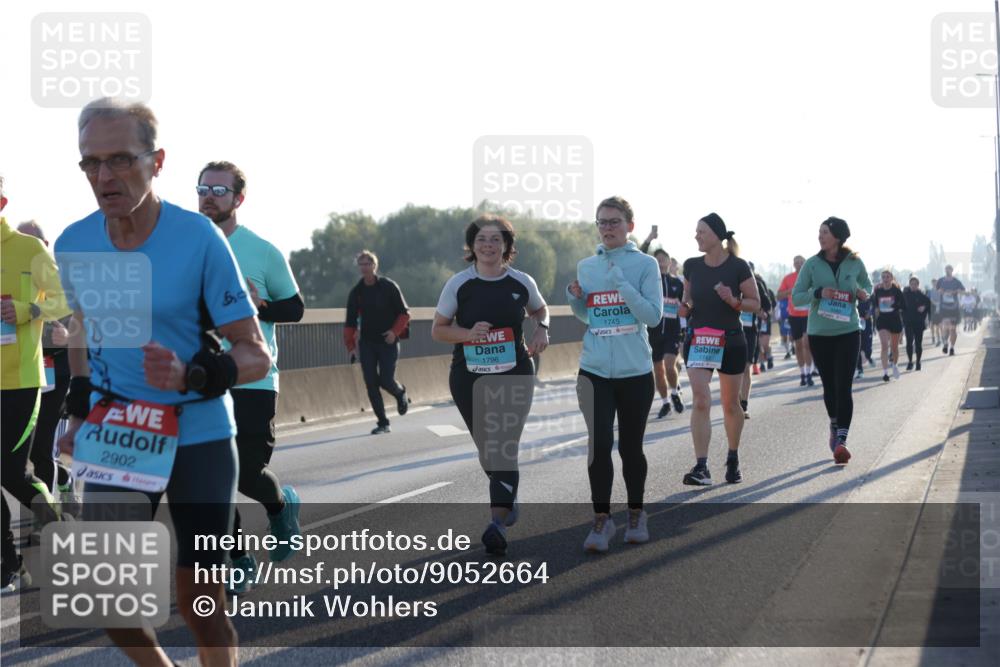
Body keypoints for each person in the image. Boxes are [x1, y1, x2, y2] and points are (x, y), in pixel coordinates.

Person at [56, 98, 271, 666]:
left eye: (121, 159)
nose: (104, 176)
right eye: (91, 162)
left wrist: (193, 373)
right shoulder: (73, 244)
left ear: (157, 162)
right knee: (109, 600)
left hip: (198, 431)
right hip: (121, 430)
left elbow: (256, 354)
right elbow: (86, 333)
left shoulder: (198, 238)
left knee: (200, 600)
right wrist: (78, 415)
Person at [197, 161, 305, 593]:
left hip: (254, 377)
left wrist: (260, 306)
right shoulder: (186, 247)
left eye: (219, 190)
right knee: (211, 479)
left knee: (245, 474)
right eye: (203, 188)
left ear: (238, 199)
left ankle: (280, 507)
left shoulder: (262, 251)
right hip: (201, 379)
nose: (208, 197)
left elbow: (294, 308)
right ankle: (239, 558)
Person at [432, 214, 549, 556]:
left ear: (506, 246)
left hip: (515, 372)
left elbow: (540, 310)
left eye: (496, 239)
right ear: (472, 245)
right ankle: (506, 495)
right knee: (488, 449)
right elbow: (438, 330)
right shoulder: (459, 284)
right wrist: (468, 334)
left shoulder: (520, 281)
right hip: (469, 377)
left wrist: (542, 329)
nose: (488, 245)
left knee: (504, 445)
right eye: (481, 239)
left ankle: (496, 523)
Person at [568, 196, 661, 552]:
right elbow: (589, 316)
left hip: (635, 371)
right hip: (594, 370)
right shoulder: (586, 266)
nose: (607, 228)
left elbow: (652, 316)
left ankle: (636, 513)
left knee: (631, 447)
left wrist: (622, 283)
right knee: (599, 444)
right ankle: (602, 519)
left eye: (614, 221)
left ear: (629, 226)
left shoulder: (646, 265)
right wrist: (576, 299)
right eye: (602, 222)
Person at [1, 179, 69, 590]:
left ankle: (57, 523)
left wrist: (29, 309)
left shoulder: (28, 249)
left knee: (11, 473)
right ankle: (9, 565)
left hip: (20, 380)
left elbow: (65, 297)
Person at [678, 213, 759, 486]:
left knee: (730, 405)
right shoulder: (691, 266)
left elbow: (755, 303)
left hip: (731, 341)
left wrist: (733, 300)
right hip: (700, 341)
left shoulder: (738, 266)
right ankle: (701, 467)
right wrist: (685, 308)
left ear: (716, 235)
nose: (696, 236)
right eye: (696, 231)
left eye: (701, 231)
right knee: (701, 399)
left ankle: (733, 457)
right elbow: (688, 300)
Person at [791, 217, 871, 464]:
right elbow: (796, 297)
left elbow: (868, 287)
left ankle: (842, 441)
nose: (820, 236)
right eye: (819, 232)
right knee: (830, 386)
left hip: (848, 331)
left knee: (844, 385)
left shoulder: (855, 262)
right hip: (820, 333)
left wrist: (863, 293)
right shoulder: (812, 264)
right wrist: (818, 292)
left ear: (837, 236)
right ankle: (834, 424)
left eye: (825, 232)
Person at [15, 222, 77, 514]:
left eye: (33, 240)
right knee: (18, 453)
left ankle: (50, 519)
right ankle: (63, 478)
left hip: (56, 373)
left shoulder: (63, 278)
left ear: (45, 244)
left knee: (42, 448)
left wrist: (69, 337)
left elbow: (92, 327)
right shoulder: (11, 273)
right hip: (20, 372)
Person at [344, 249, 411, 435]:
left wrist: (394, 332)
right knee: (371, 382)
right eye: (361, 264)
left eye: (367, 264)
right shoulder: (356, 292)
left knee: (386, 380)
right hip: (367, 343)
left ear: (374, 266)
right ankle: (383, 423)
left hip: (388, 341)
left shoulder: (388, 286)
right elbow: (350, 323)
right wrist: (351, 347)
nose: (364, 267)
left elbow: (404, 313)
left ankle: (399, 392)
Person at [639, 229, 685, 417]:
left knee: (669, 364)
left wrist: (688, 321)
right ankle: (666, 402)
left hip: (672, 332)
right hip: (653, 333)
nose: (660, 262)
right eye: (656, 260)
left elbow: (687, 304)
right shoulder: (649, 282)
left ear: (668, 262)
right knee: (658, 371)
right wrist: (649, 239)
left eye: (663, 259)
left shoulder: (677, 284)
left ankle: (675, 392)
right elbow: (639, 256)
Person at [738, 264, 772, 418]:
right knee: (733, 370)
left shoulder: (757, 285)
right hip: (731, 331)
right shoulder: (729, 282)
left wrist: (759, 312)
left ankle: (743, 404)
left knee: (746, 367)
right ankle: (735, 402)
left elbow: (767, 309)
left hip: (750, 332)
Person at [777, 256, 814, 385]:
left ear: (805, 263)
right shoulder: (788, 278)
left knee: (807, 344)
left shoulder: (811, 277)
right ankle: (802, 373)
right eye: (796, 262)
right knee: (798, 346)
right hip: (794, 315)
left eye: (801, 262)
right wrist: (789, 291)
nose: (799, 264)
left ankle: (809, 373)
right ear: (793, 265)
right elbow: (778, 295)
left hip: (808, 315)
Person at [873, 269, 905, 382]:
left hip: (894, 320)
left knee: (894, 347)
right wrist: (876, 313)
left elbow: (903, 305)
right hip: (882, 321)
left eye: (887, 277)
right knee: (884, 345)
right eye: (883, 277)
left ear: (891, 278)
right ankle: (885, 372)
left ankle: (895, 365)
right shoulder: (878, 291)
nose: (885, 279)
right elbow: (875, 305)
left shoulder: (897, 291)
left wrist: (894, 305)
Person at [902, 276, 931, 371]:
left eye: (915, 284)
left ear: (918, 285)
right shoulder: (905, 295)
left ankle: (918, 362)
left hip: (919, 322)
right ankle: (910, 362)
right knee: (909, 342)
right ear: (909, 284)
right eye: (911, 284)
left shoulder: (922, 295)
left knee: (918, 343)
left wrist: (924, 308)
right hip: (908, 322)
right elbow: (899, 304)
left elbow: (929, 305)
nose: (913, 286)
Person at [937, 265, 965, 355]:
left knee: (953, 329)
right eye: (946, 269)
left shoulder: (956, 281)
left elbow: (963, 291)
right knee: (945, 327)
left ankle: (952, 347)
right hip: (944, 308)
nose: (947, 271)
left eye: (949, 269)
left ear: (952, 270)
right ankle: (945, 343)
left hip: (954, 308)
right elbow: (937, 290)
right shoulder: (941, 280)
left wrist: (955, 291)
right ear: (944, 270)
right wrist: (942, 291)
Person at [855, 295, 875, 379]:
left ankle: (868, 357)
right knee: (857, 348)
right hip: (855, 323)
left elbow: (874, 306)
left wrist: (870, 312)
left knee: (867, 347)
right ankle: (860, 370)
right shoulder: (853, 293)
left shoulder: (869, 295)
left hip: (867, 323)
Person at [927, 278, 941, 346]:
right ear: (931, 283)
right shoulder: (930, 291)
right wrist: (934, 303)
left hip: (938, 309)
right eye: (933, 282)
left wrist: (938, 304)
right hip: (932, 309)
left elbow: (942, 298)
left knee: (938, 325)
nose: (934, 283)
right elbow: (929, 299)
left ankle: (939, 339)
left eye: (935, 282)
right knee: (931, 325)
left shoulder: (940, 290)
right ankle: (933, 337)